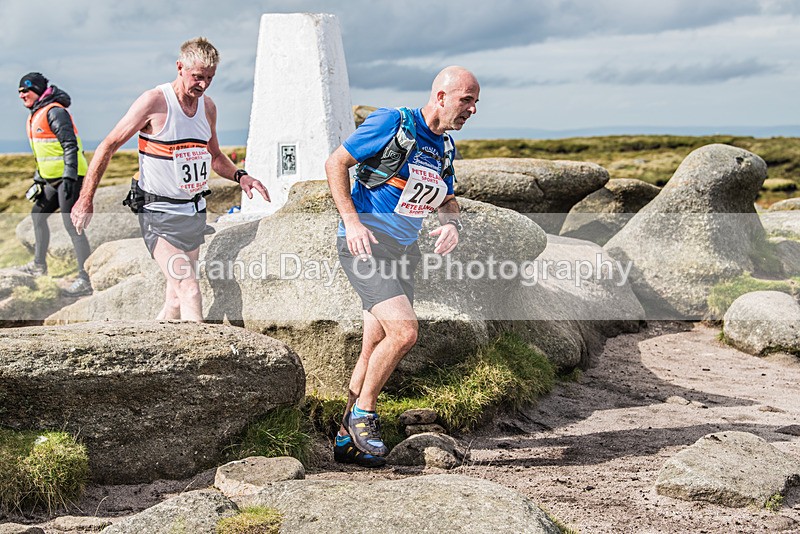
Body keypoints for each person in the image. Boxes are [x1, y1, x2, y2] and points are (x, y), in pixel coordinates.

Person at [326, 66, 479, 467]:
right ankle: (364, 414)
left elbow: (447, 199)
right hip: (366, 247)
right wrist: (352, 222)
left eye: (476, 102)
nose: (472, 109)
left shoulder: (444, 148)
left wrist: (451, 225)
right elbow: (336, 163)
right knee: (405, 332)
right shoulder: (393, 123)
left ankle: (345, 440)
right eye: (466, 100)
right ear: (441, 96)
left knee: (373, 346)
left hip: (403, 253)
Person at [71, 37, 269, 321]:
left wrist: (241, 176)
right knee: (190, 290)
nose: (203, 85)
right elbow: (108, 145)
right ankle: (201, 351)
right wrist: (85, 198)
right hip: (157, 213)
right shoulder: (154, 101)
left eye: (209, 78)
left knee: (175, 299)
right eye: (197, 76)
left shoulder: (208, 108)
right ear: (180, 67)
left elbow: (214, 156)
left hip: (193, 212)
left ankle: (157, 346)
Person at [17, 72, 93, 296]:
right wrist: (39, 180)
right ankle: (39, 266)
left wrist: (69, 176)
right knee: (37, 216)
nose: (21, 95)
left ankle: (85, 278)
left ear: (37, 90)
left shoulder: (55, 112)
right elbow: (45, 152)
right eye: (19, 92)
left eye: (25, 90)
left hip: (70, 178)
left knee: (72, 225)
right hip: (52, 180)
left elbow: (70, 145)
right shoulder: (36, 114)